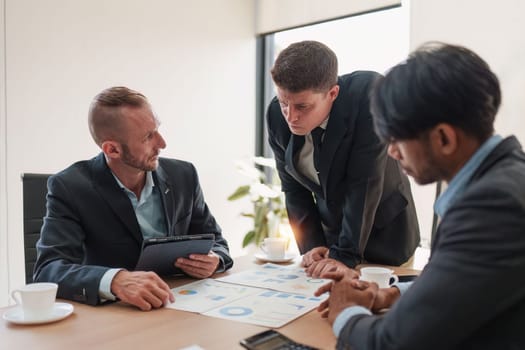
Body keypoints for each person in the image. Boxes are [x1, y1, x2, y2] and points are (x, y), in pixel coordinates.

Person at [316, 42, 525, 349]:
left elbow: (394, 344)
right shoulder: (508, 176)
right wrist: (391, 293)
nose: (391, 151)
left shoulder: (493, 205)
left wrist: (346, 312)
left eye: (396, 137)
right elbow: (463, 280)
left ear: (443, 137)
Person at [34, 86, 233, 311]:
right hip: (117, 314)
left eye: (157, 129)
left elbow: (218, 243)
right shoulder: (70, 187)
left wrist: (215, 259)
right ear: (112, 149)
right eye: (148, 137)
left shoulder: (184, 175)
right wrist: (116, 280)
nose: (162, 143)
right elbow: (48, 270)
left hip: (182, 303)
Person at [266, 40, 420, 275]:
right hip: (332, 240)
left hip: (385, 235)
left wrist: (345, 255)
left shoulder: (368, 95)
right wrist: (312, 245)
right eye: (284, 102)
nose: (291, 116)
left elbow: (364, 183)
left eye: (302, 106)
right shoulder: (277, 116)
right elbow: (294, 189)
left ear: (332, 93)